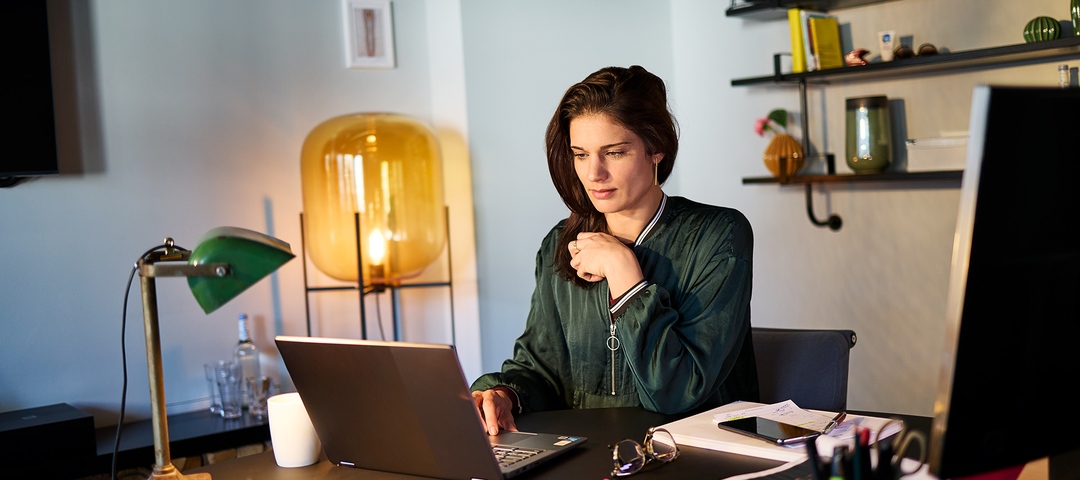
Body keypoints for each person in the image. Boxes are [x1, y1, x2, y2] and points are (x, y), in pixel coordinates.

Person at [471, 65, 758, 436]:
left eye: (615, 152)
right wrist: (505, 394)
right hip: (586, 455)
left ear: (656, 149)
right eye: (580, 154)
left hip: (694, 456)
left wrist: (624, 273)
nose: (594, 174)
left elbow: (677, 391)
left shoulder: (719, 235)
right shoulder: (560, 242)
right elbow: (541, 370)